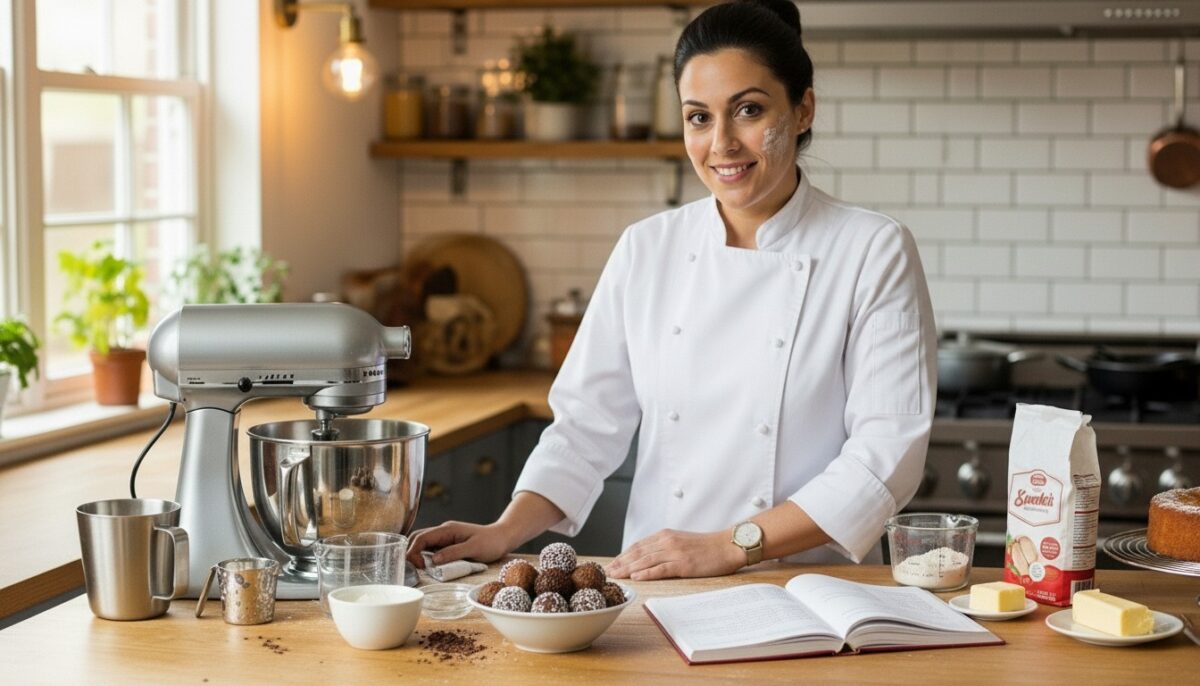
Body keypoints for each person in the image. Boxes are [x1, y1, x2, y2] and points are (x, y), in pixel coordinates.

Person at [407, 0, 936, 581]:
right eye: (699, 117)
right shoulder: (648, 247)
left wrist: (731, 546)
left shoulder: (871, 249)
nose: (722, 143)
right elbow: (585, 426)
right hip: (660, 587)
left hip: (809, 590)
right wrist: (503, 532)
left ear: (803, 108)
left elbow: (886, 457)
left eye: (749, 110)